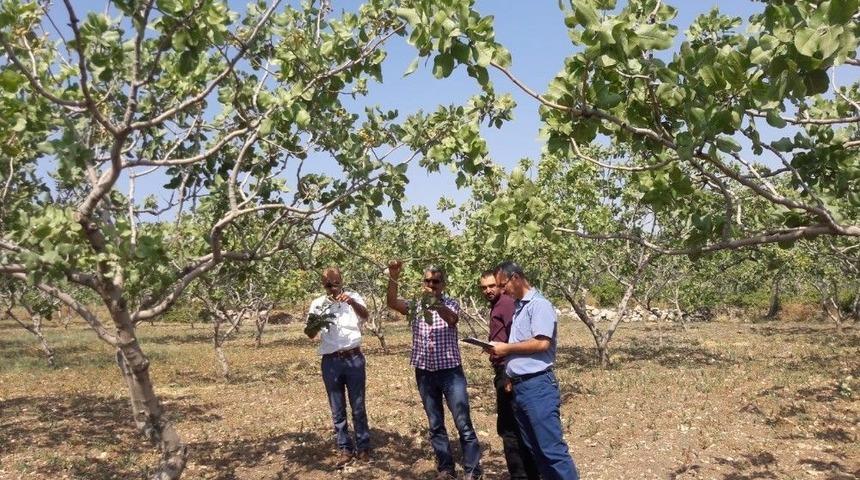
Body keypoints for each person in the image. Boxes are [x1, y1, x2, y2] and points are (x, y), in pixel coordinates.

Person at [386, 260, 483, 480]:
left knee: (463, 422)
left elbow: (452, 319)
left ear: (443, 284)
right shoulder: (415, 306)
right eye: (427, 281)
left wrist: (434, 302)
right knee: (435, 423)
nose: (431, 285)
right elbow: (392, 302)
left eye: (436, 281)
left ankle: (472, 470)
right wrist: (393, 275)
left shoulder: (451, 303)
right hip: (425, 372)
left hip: (451, 372)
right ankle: (446, 469)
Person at [485, 261, 579, 480]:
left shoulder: (539, 305)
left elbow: (541, 343)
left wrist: (506, 348)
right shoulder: (519, 307)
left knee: (552, 451)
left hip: (537, 386)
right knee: (535, 450)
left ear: (516, 277)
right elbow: (521, 344)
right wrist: (508, 371)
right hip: (520, 387)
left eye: (502, 284)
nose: (501, 289)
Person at [306, 267, 371, 467]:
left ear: (341, 281)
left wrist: (351, 302)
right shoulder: (318, 304)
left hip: (354, 358)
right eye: (328, 284)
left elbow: (365, 315)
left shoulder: (353, 297)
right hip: (331, 361)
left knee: (358, 405)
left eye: (335, 282)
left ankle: (363, 446)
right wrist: (320, 318)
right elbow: (309, 332)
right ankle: (344, 447)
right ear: (322, 285)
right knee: (337, 407)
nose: (332, 287)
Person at [479, 270, 541, 480]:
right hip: (505, 369)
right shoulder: (499, 304)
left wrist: (506, 374)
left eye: (492, 286)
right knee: (514, 427)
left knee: (510, 429)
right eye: (484, 287)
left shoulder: (505, 304)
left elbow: (517, 339)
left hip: (507, 371)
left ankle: (522, 475)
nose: (488, 290)